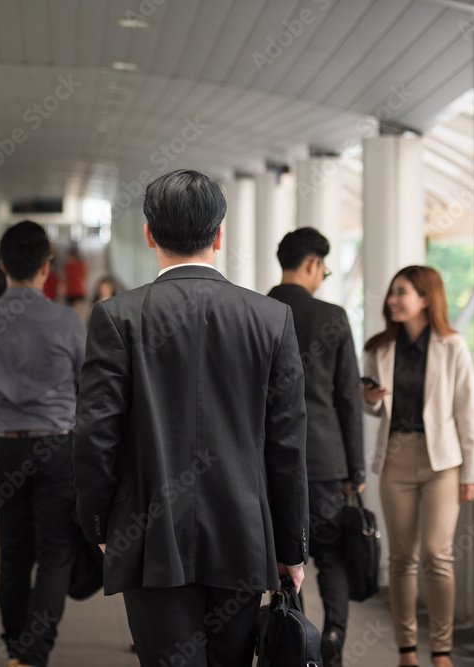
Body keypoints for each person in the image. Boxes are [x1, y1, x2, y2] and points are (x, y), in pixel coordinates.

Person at [74, 170, 309, 667]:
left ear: (149, 233)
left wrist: (101, 524)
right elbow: (287, 445)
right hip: (243, 533)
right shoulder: (270, 318)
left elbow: (96, 436)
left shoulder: (118, 316)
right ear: (219, 235)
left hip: (149, 534)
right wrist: (291, 547)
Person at [0, 221, 86, 667]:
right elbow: (86, 387)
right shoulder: (69, 321)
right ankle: (34, 653)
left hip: (7, 450)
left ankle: (16, 645)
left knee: (14, 554)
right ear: (45, 268)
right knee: (55, 553)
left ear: (2, 265)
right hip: (58, 448)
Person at [362, 266, 474, 667]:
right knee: (401, 558)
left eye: (402, 292)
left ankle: (442, 651)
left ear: (426, 298)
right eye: (392, 293)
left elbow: (468, 412)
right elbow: (373, 407)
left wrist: (473, 472)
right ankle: (407, 652)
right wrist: (371, 399)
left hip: (442, 463)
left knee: (438, 555)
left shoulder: (453, 346)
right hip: (396, 457)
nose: (393, 300)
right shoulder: (379, 347)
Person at [268, 227, 365, 667]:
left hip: (270, 461)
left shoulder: (259, 311)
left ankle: (299, 642)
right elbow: (349, 399)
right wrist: (356, 469)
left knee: (286, 558)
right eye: (324, 270)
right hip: (326, 461)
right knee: (331, 555)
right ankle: (333, 638)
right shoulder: (334, 317)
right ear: (312, 264)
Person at [63, 248, 87, 313]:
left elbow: (66, 277)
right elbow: (84, 275)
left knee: (72, 311)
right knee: (78, 310)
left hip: (73, 290)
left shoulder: (68, 266)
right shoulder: (81, 265)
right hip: (77, 290)